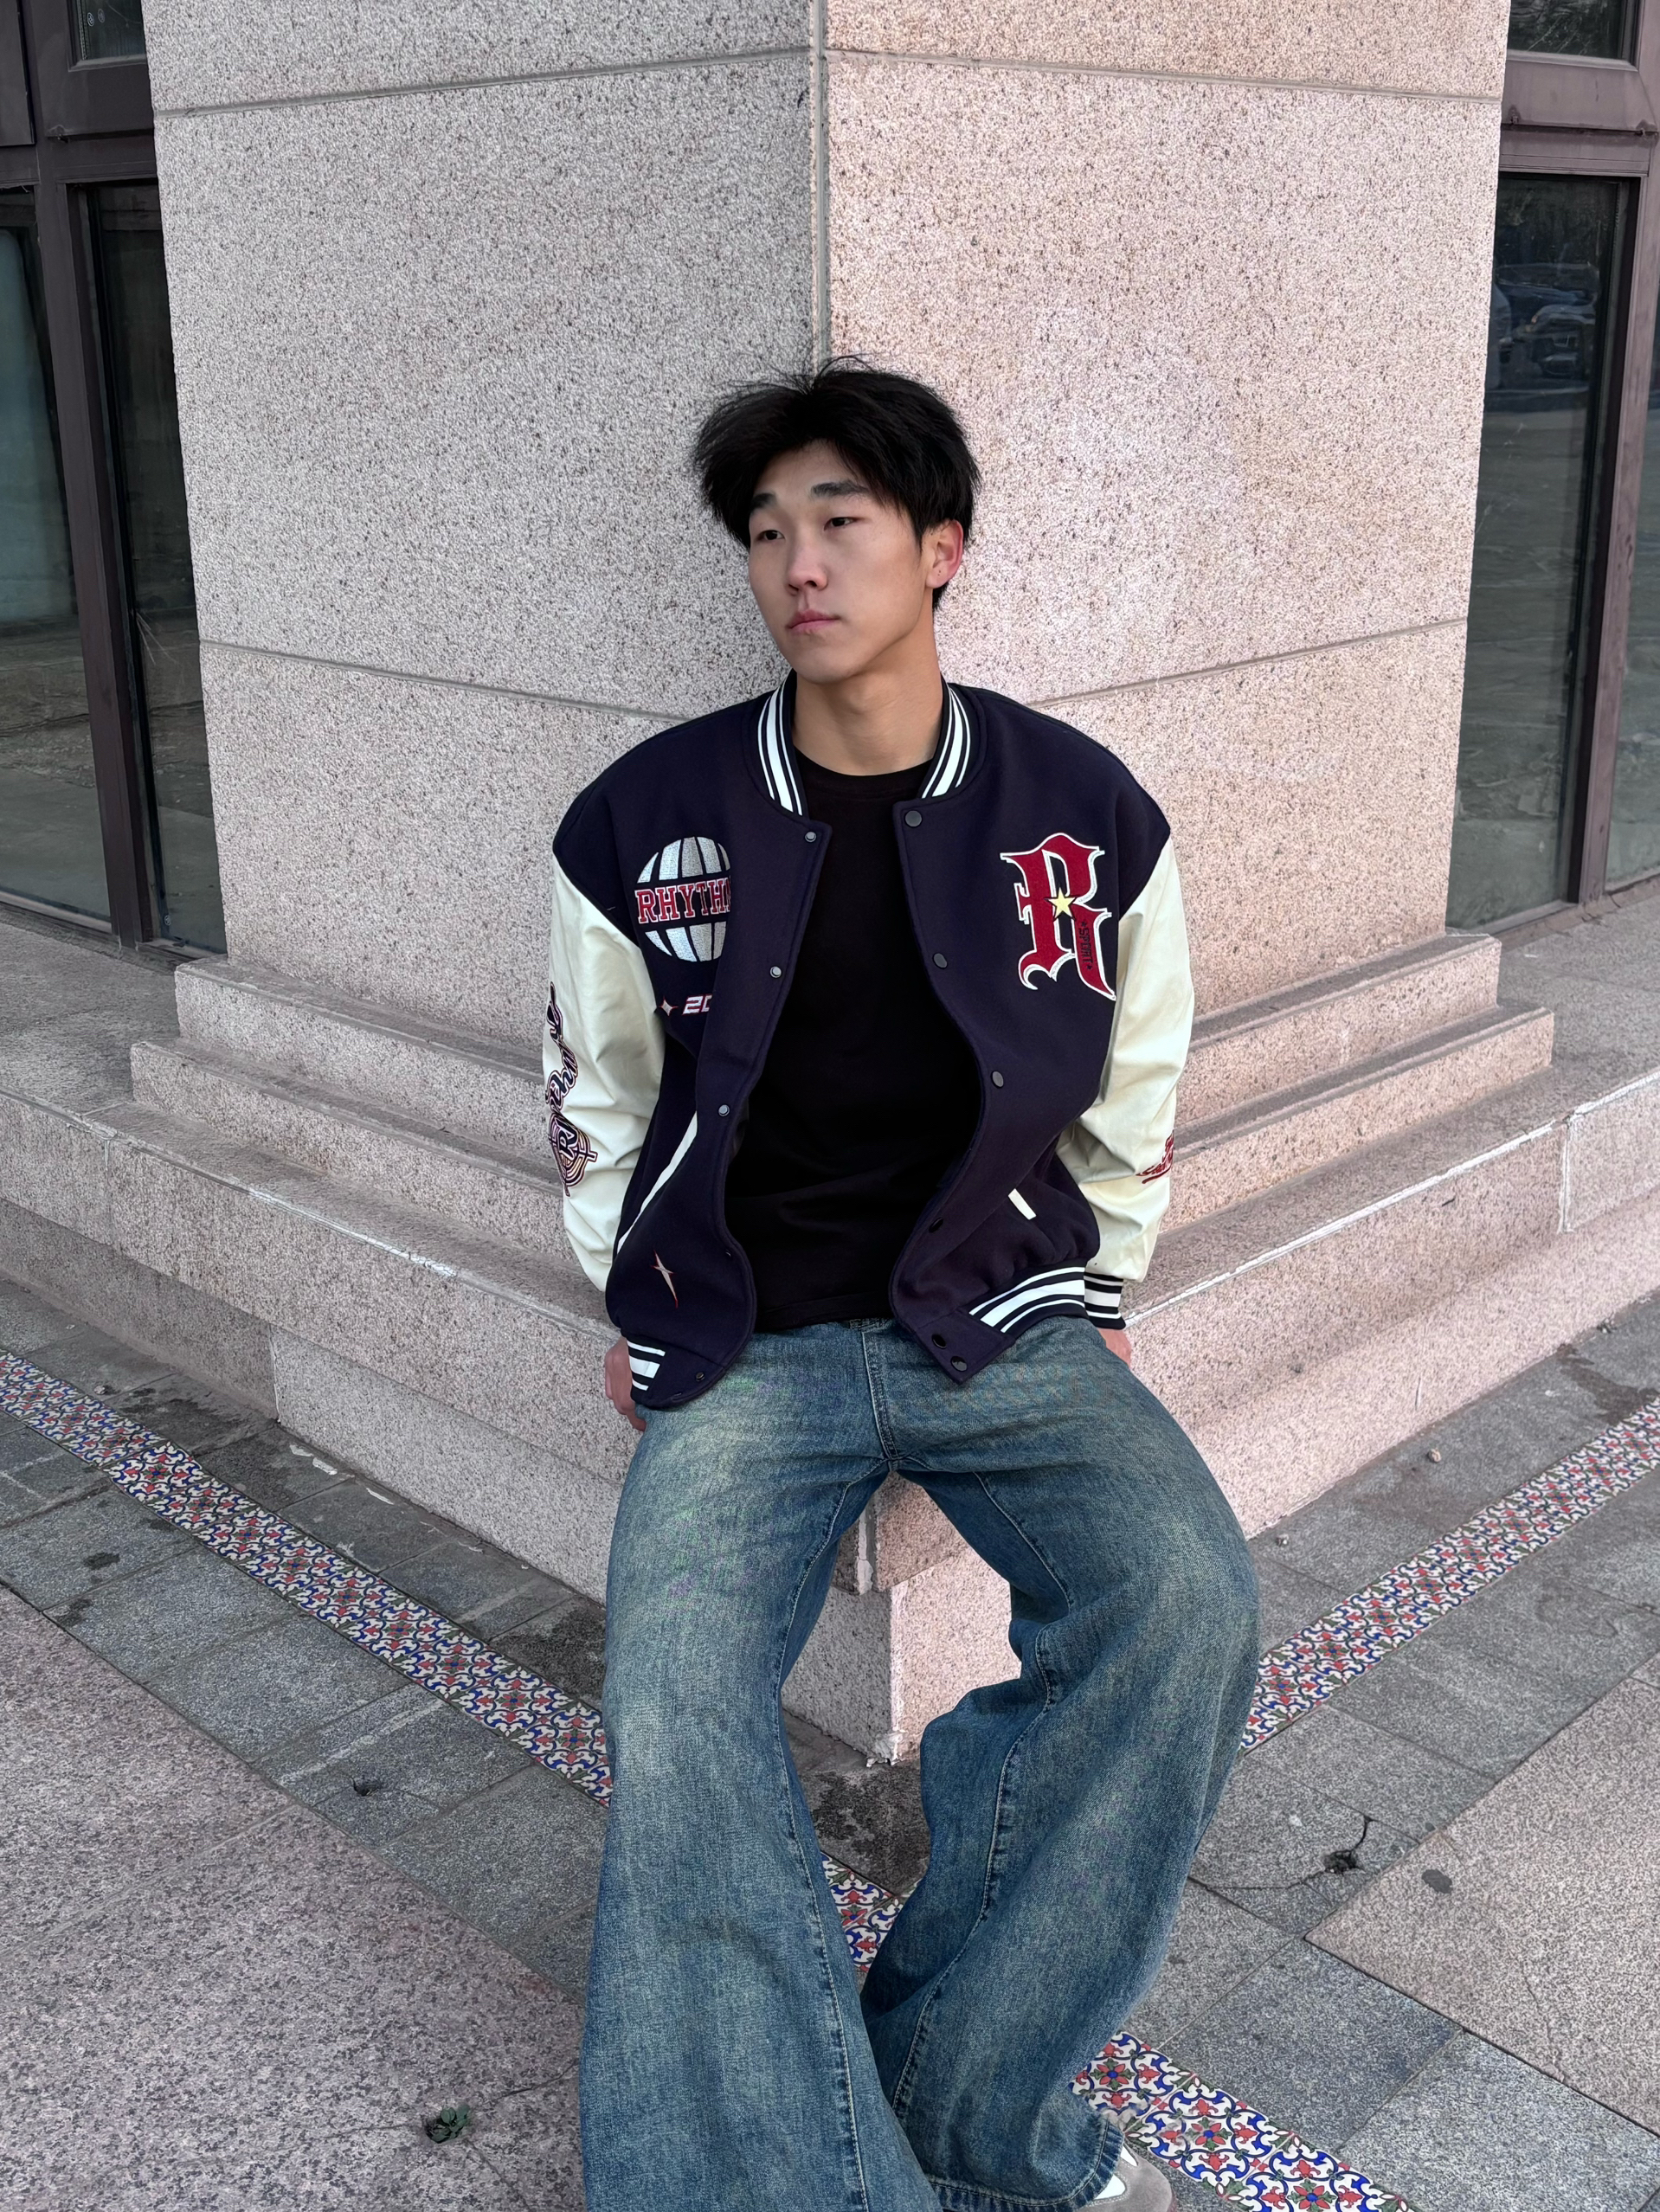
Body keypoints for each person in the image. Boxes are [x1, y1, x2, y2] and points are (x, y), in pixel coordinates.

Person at [544, 359, 1258, 2212]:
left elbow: (1135, 1072)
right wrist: (629, 1295)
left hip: (994, 1312)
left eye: (840, 520)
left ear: (939, 547)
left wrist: (1102, 1286)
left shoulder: (1077, 809)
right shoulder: (644, 816)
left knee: (1182, 1606)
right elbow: (598, 1092)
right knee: (677, 1703)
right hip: (745, 1336)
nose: (798, 562)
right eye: (764, 529)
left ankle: (962, 2104)